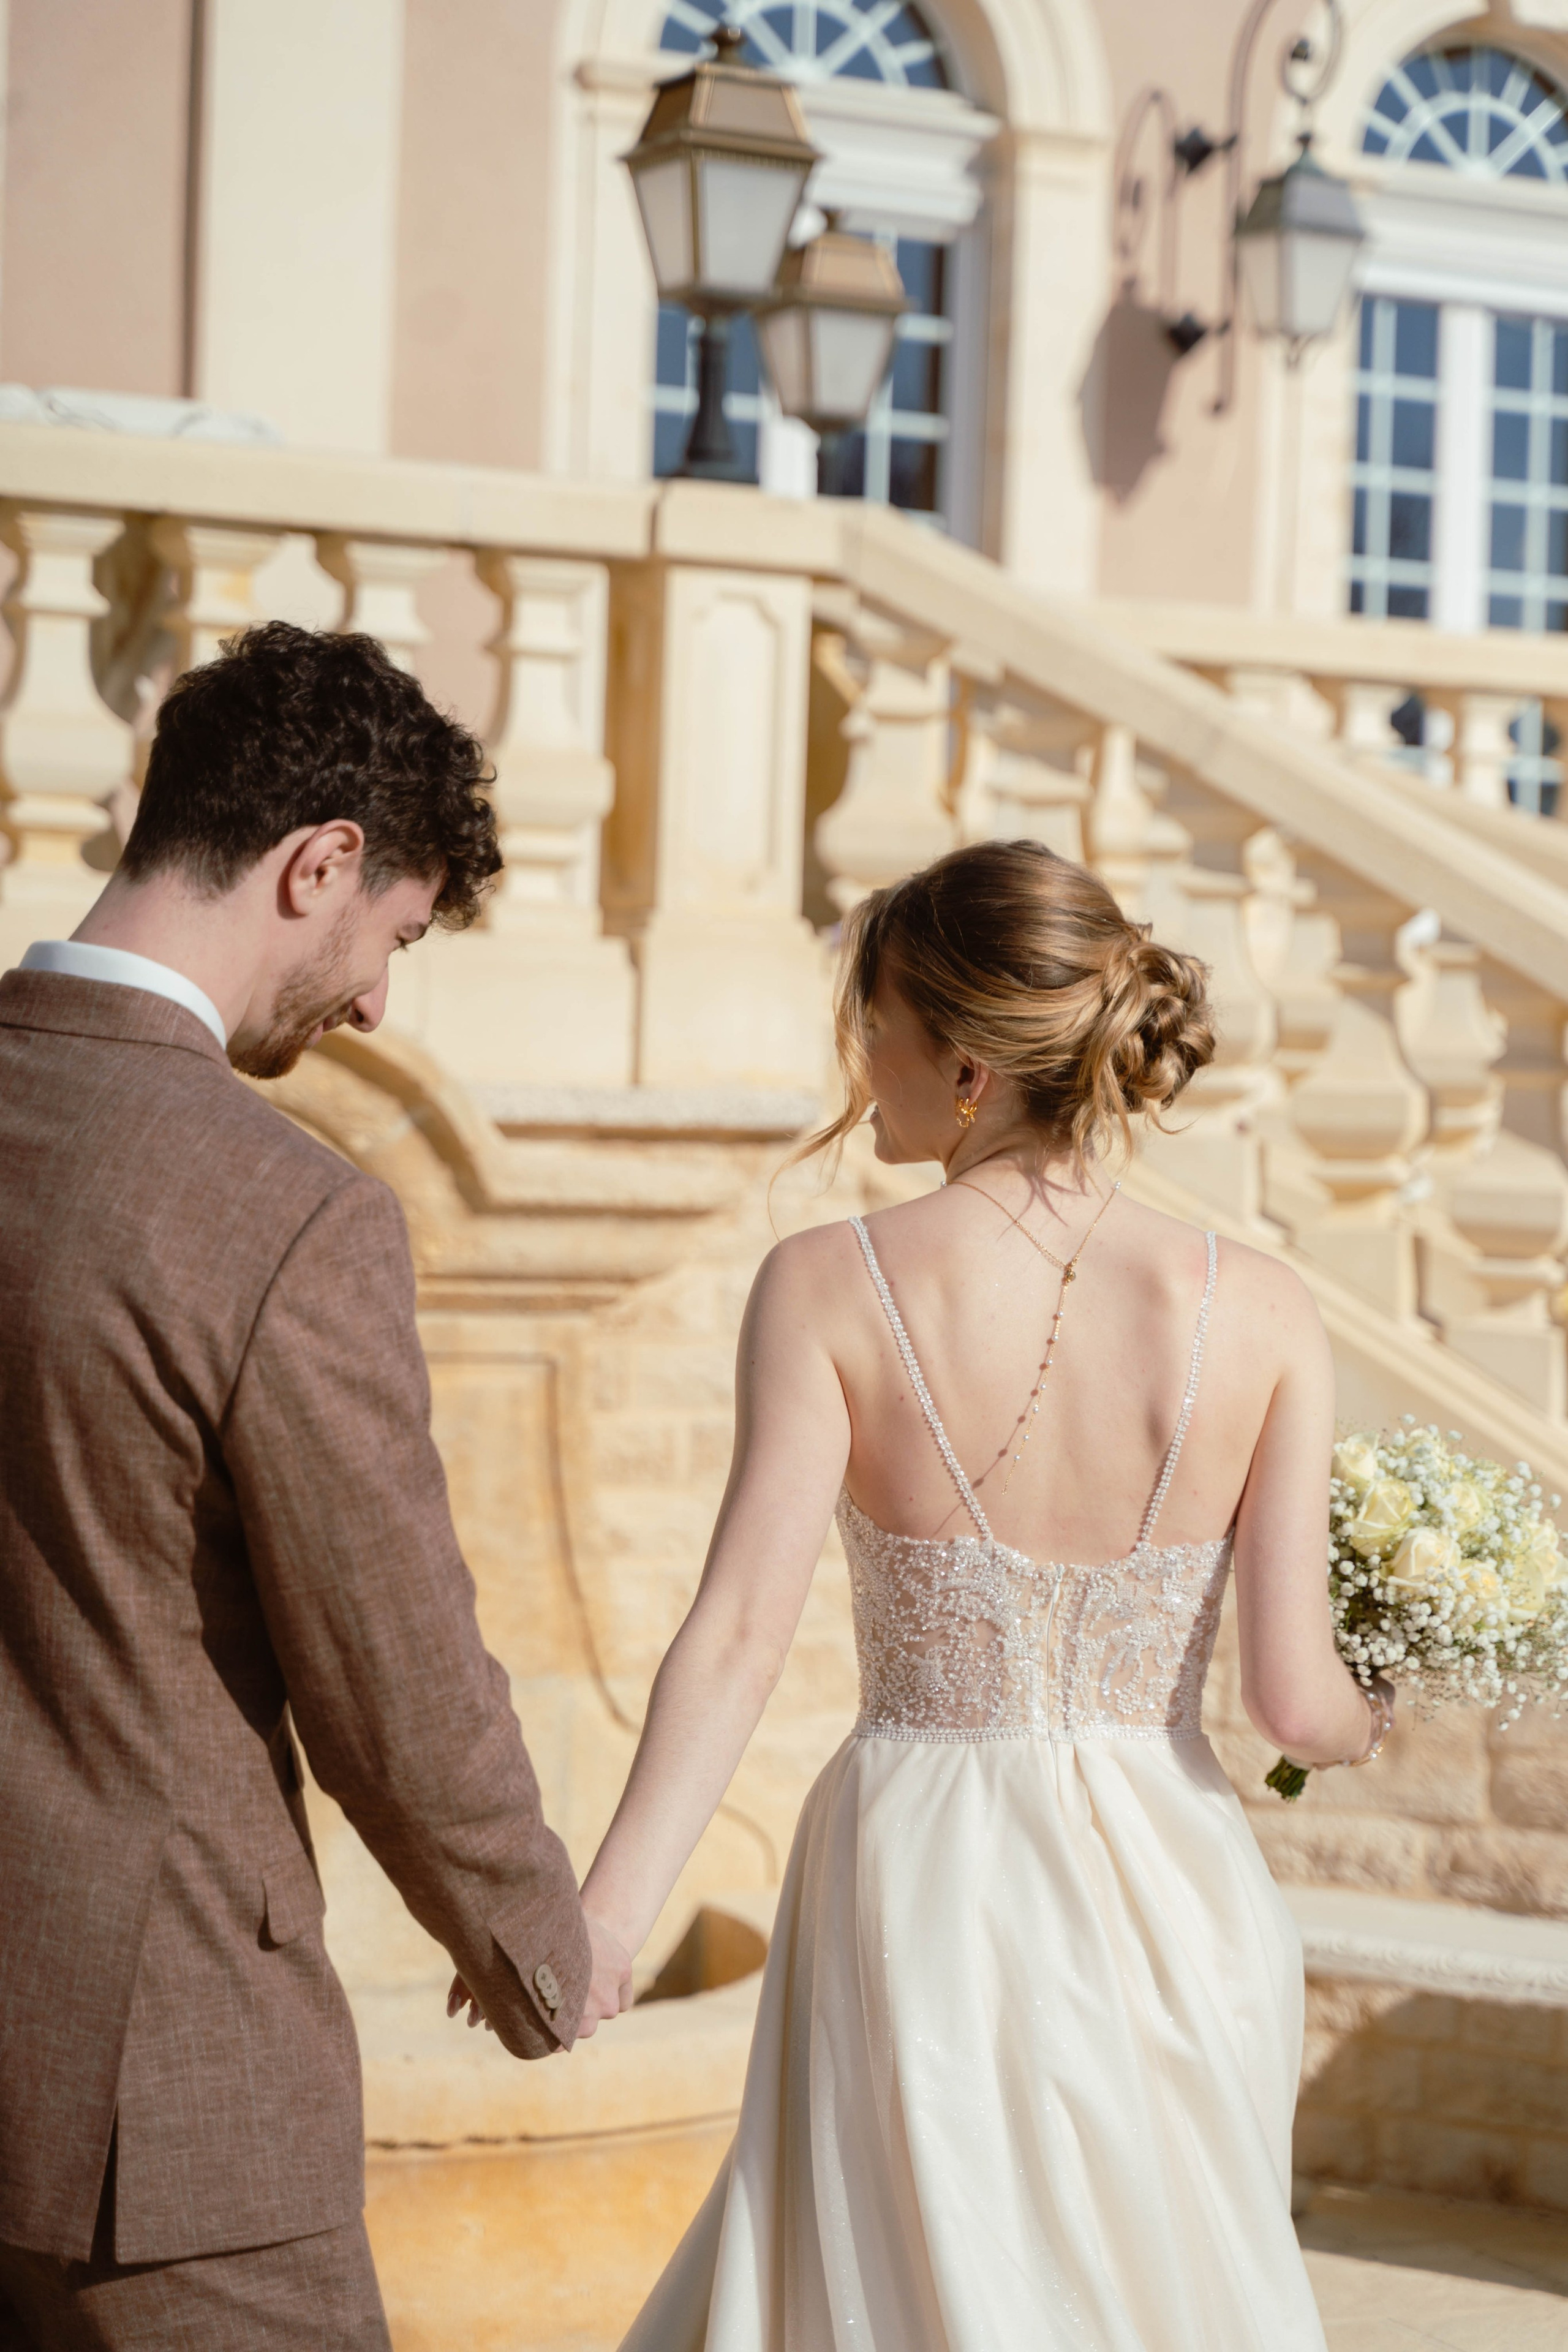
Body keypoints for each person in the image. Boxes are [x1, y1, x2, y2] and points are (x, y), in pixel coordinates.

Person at [585, 839, 1390, 2352]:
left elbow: (739, 1631)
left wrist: (610, 1916)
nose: (856, 1062)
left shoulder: (825, 1285)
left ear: (960, 1063)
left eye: (868, 1025)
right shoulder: (1262, 1308)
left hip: (918, 1880)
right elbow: (1292, 1704)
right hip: (1173, 1893)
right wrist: (1377, 1703)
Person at [0, 622, 632, 2352]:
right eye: (393, 939)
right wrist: (539, 1947)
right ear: (319, 863)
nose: (371, 1003)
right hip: (162, 2110)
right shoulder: (287, 1214)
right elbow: (395, 1671)